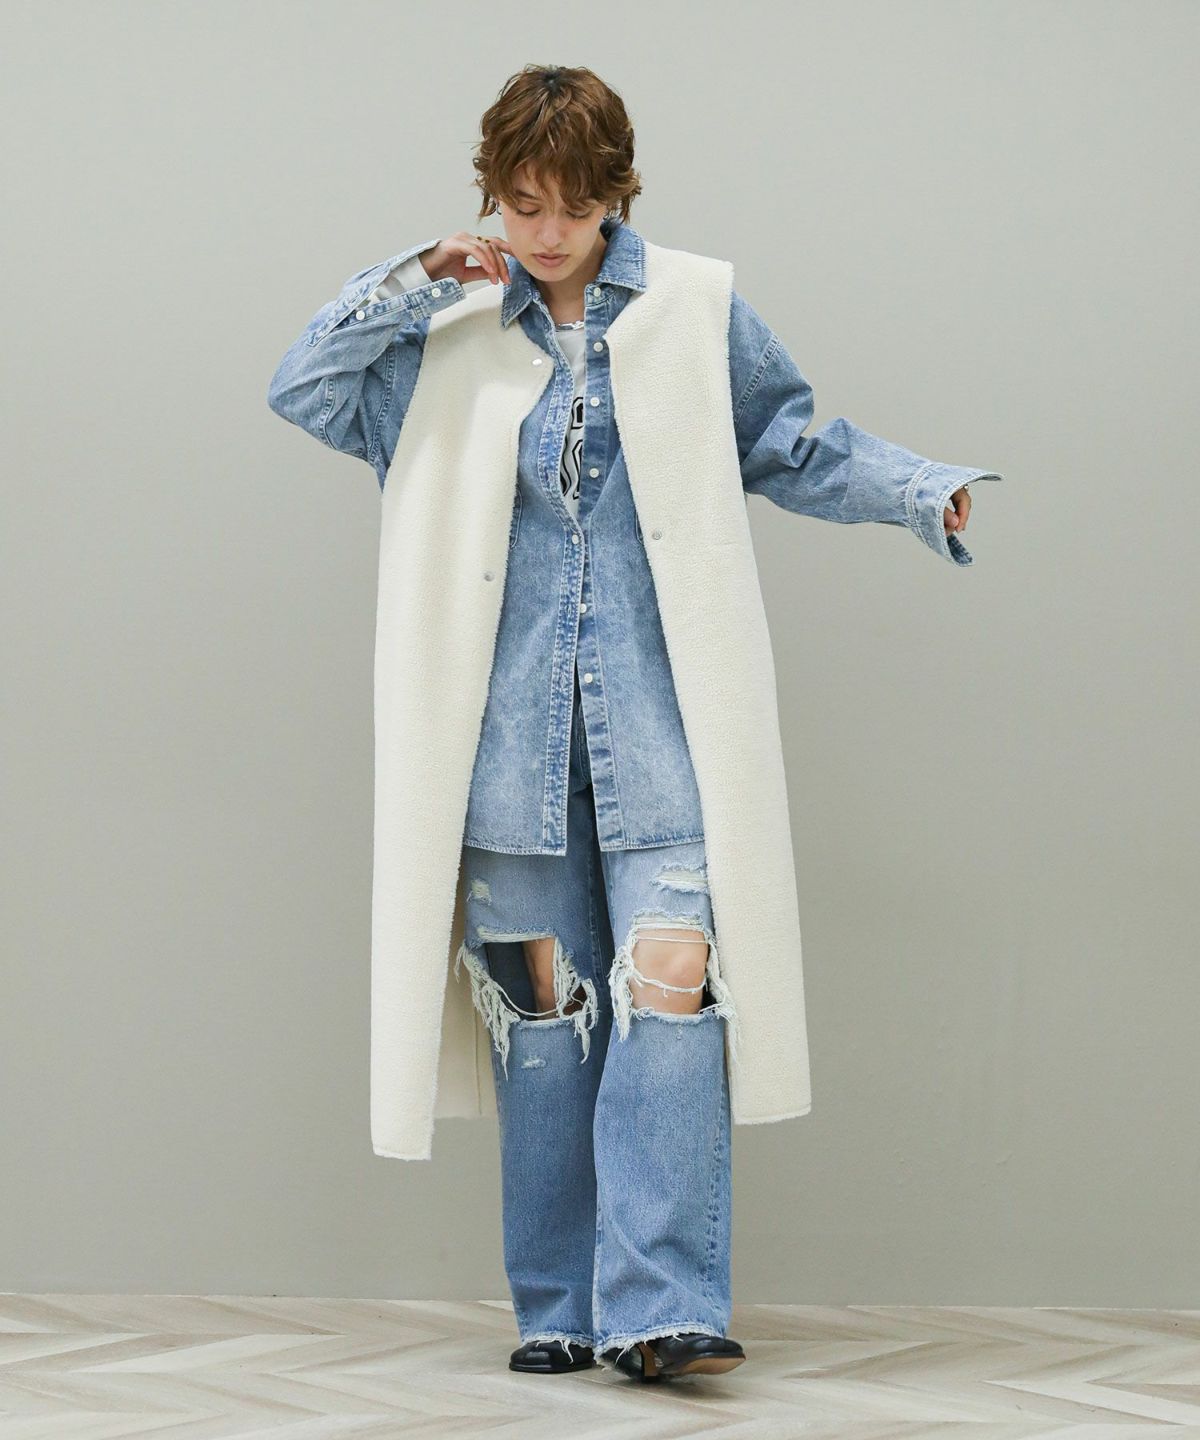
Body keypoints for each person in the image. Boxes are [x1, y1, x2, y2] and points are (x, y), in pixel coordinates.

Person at [267, 63, 1002, 1384]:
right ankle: (558, 1304)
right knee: (544, 1035)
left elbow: (791, 441)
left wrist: (917, 490)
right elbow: (305, 387)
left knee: (674, 990)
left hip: (662, 743)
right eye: (523, 204)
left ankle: (659, 1306)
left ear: (618, 194)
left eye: (576, 205)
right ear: (491, 194)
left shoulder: (691, 311)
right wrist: (414, 276)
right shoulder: (445, 338)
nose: (549, 232)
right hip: (504, 760)